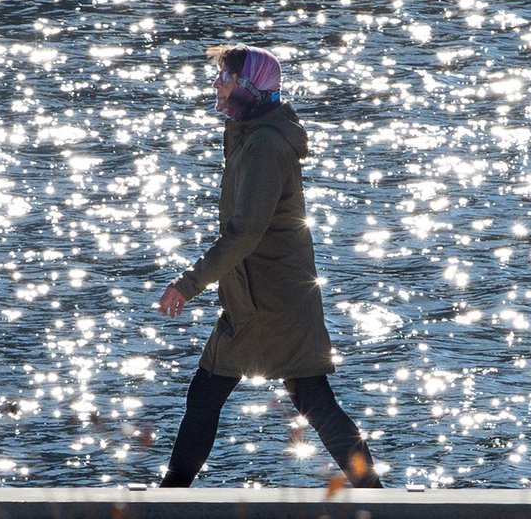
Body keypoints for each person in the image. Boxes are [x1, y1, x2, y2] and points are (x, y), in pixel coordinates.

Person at [155, 44, 382, 488]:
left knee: (293, 398)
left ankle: (171, 495)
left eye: (225, 77)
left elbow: (245, 232)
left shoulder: (263, 144)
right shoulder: (249, 131)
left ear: (250, 86)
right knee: (293, 397)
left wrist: (187, 284)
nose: (217, 85)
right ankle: (375, 492)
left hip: (271, 301)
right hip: (256, 295)